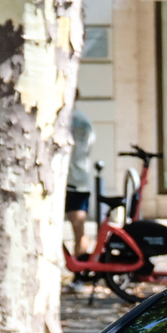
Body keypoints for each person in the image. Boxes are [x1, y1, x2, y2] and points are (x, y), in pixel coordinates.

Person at [65, 105, 95, 255]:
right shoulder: (81, 118)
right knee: (78, 228)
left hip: (74, 181)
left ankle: (80, 267)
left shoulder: (74, 119)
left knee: (78, 227)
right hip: (77, 180)